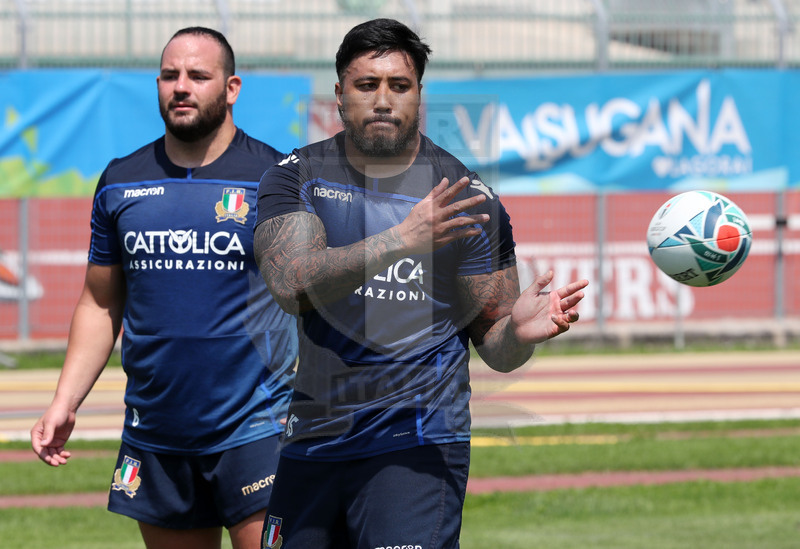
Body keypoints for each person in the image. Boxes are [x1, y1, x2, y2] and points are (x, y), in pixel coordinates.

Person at [253, 17, 589, 549]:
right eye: (367, 85)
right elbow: (291, 285)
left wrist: (518, 333)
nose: (383, 100)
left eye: (399, 86)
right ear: (340, 94)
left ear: (418, 95)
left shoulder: (470, 200)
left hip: (417, 443)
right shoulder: (296, 176)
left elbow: (495, 347)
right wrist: (402, 241)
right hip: (313, 439)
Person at [30, 27, 297, 549]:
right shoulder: (121, 181)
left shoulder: (275, 177)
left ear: (232, 87)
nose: (181, 86)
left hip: (257, 428)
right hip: (156, 433)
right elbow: (100, 303)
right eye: (170, 75)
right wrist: (64, 399)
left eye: (198, 75)